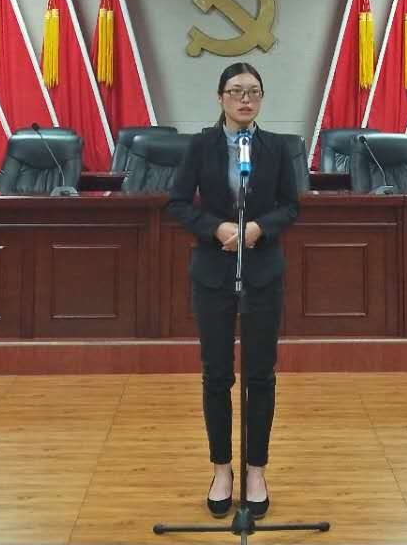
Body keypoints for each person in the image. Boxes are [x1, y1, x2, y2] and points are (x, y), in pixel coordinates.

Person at [166, 62, 300, 520]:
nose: (246, 99)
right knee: (217, 375)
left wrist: (260, 227)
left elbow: (291, 206)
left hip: (262, 274)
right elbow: (177, 203)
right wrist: (215, 227)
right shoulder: (200, 145)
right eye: (237, 91)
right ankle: (222, 469)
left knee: (260, 375)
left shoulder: (277, 147)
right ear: (220, 97)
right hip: (213, 274)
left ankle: (255, 470)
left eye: (254, 92)